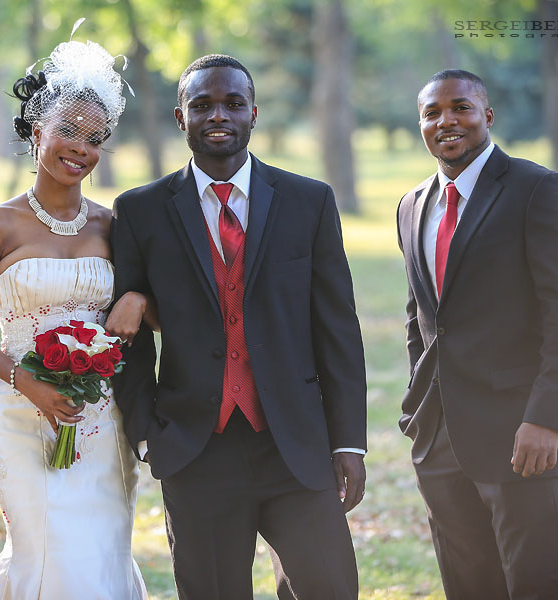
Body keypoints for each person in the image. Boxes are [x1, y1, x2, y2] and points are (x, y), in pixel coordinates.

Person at [111, 54, 367, 599]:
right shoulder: (140, 210)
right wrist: (146, 434)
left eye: (232, 103)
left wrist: (348, 441)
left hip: (294, 444)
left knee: (330, 588)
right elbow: (127, 342)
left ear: (255, 112)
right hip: (195, 448)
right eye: (201, 105)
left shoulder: (309, 201)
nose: (218, 115)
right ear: (181, 118)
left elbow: (337, 328)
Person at [0, 37, 149, 599]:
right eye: (68, 130)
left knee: (100, 545)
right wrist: (26, 382)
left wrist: (136, 302)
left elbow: (153, 310)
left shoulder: (115, 225)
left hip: (99, 416)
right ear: (36, 130)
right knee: (44, 547)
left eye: (95, 138)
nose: (80, 148)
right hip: (19, 412)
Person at [396, 69, 558, 599]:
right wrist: (419, 412)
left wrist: (547, 419)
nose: (446, 121)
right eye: (432, 113)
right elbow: (420, 315)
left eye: (460, 107)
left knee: (540, 586)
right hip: (440, 440)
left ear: (487, 115)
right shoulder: (412, 205)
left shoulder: (540, 191)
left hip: (524, 437)